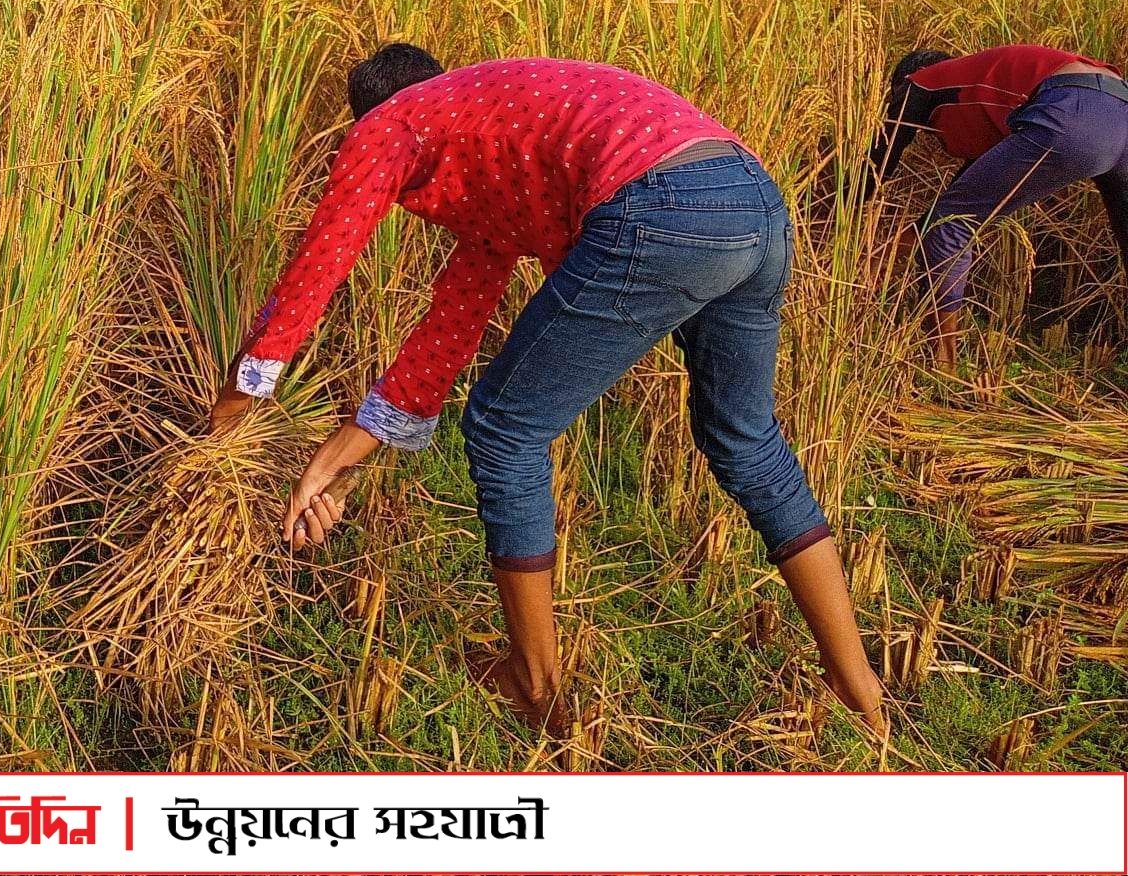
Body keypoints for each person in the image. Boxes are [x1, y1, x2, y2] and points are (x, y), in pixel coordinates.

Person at [209, 45, 885, 734]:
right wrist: (353, 447)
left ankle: (533, 684)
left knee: (505, 431)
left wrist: (229, 421)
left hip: (659, 205)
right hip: (750, 197)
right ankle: (856, 684)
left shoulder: (391, 123)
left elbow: (315, 270)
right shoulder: (485, 124)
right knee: (746, 441)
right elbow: (455, 314)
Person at [862, 43, 1128, 365]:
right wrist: (886, 256)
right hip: (1119, 103)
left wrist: (841, 222)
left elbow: (875, 171)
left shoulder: (921, 81)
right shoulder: (986, 95)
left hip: (1072, 107)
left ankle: (943, 365)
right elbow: (969, 198)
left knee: (951, 223)